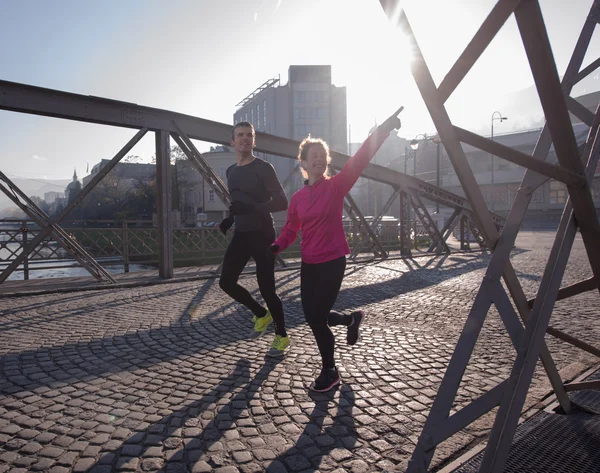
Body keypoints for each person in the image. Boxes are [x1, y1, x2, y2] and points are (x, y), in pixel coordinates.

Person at [268, 108, 402, 391]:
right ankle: (351, 319)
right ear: (303, 163)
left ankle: (330, 371)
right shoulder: (298, 199)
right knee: (312, 315)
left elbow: (360, 158)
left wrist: (384, 129)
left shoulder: (337, 186)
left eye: (322, 155)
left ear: (326, 161)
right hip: (309, 263)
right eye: (312, 156)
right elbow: (292, 229)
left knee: (316, 318)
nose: (319, 159)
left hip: (332, 260)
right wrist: (278, 245)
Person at [218, 121, 290, 357]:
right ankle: (261, 314)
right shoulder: (230, 171)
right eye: (240, 135)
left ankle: (281, 336)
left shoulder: (263, 168)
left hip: (262, 233)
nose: (245, 139)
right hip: (242, 233)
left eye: (249, 135)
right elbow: (239, 202)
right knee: (226, 282)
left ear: (253, 141)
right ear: (232, 141)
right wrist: (230, 217)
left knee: (267, 289)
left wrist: (250, 210)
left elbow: (281, 202)